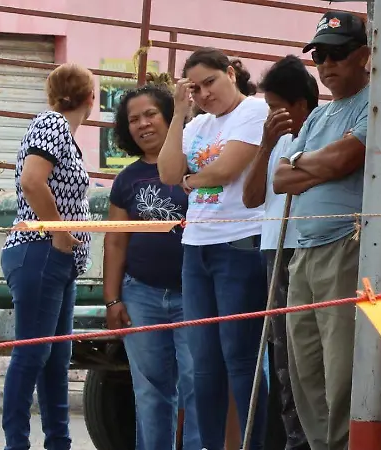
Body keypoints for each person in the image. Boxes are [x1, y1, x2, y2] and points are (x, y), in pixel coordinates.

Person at [157, 48, 270, 450]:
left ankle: (253, 443)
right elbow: (169, 172)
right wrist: (177, 115)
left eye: (211, 82)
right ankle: (210, 444)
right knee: (203, 362)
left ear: (231, 73)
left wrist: (192, 180)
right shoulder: (198, 124)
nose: (205, 94)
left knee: (240, 357)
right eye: (196, 88)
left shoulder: (253, 112)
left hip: (240, 242)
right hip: (197, 245)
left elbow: (227, 171)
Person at [272, 11, 371, 450]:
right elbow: (279, 179)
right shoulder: (318, 117)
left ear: (365, 55)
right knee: (304, 369)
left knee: (341, 369)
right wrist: (310, 165)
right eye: (320, 56)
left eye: (338, 54)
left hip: (344, 247)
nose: (327, 65)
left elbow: (340, 162)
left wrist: (306, 165)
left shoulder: (376, 103)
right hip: (305, 250)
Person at [0, 62, 94, 450]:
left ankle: (58, 442)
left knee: (56, 357)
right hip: (41, 251)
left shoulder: (61, 133)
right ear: (90, 98)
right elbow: (32, 180)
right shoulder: (51, 125)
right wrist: (59, 231)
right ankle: (16, 444)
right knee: (33, 352)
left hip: (57, 258)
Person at [103, 78, 200, 450]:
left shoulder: (195, 165)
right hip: (141, 296)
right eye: (133, 119)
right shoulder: (126, 179)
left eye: (151, 114)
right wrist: (113, 300)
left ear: (170, 116)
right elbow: (115, 239)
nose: (143, 124)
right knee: (150, 391)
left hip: (194, 293)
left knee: (196, 384)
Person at [242, 55, 319, 450]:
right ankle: (294, 440)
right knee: (282, 357)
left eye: (276, 107)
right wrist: (266, 144)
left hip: (305, 246)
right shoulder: (273, 141)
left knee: (308, 356)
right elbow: (252, 196)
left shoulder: (320, 133)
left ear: (301, 105)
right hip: (274, 249)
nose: (270, 115)